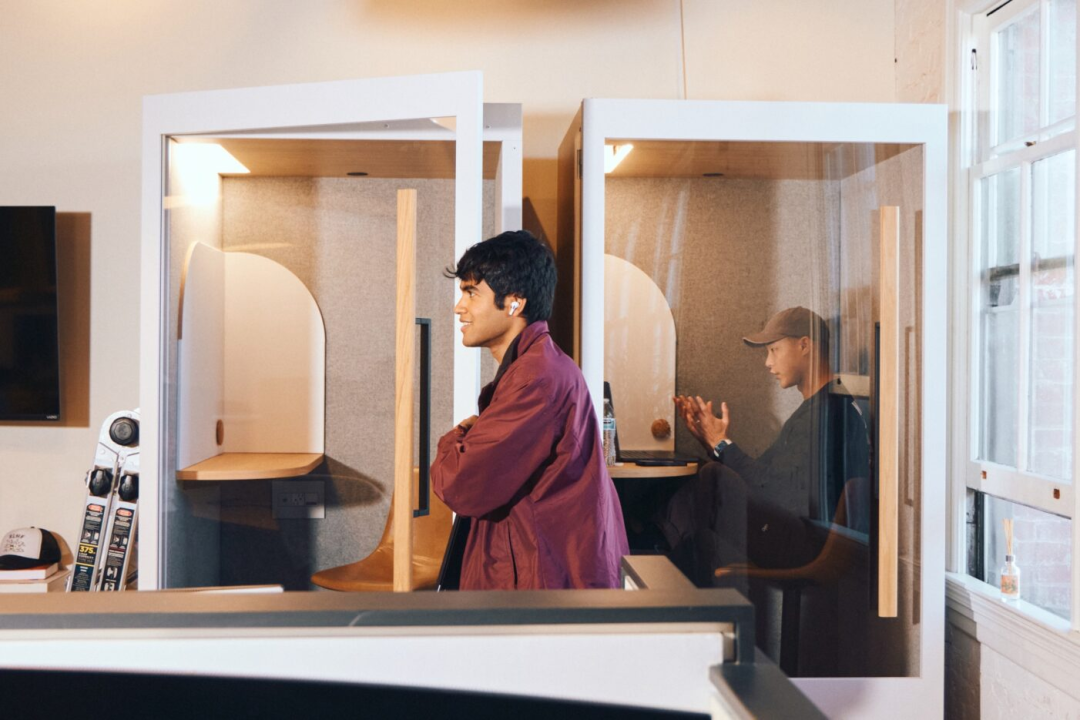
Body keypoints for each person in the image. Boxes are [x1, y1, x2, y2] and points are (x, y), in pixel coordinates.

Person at [431, 230, 629, 590]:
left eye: (472, 293)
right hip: (542, 564)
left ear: (514, 303)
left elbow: (461, 484)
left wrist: (458, 436)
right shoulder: (535, 367)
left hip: (539, 575)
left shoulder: (534, 378)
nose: (459, 307)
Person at [661, 306, 871, 586]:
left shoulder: (828, 413)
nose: (768, 363)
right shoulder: (820, 408)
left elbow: (775, 489)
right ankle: (666, 554)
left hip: (811, 545)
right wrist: (711, 442)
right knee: (704, 475)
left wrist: (722, 445)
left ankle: (663, 554)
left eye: (774, 350)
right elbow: (763, 474)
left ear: (804, 345)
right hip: (802, 533)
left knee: (713, 478)